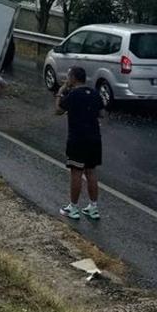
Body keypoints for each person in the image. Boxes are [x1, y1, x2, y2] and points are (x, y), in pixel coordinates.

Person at [56, 66, 104, 220]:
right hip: (95, 138)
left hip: (77, 139)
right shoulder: (95, 93)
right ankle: (93, 207)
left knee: (76, 172)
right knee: (91, 171)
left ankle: (73, 207)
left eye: (69, 76)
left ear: (74, 78)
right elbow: (101, 113)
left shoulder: (73, 94)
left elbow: (58, 110)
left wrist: (60, 92)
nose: (68, 79)